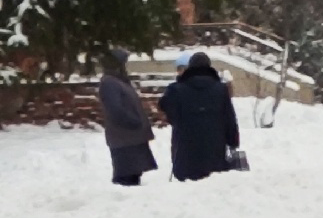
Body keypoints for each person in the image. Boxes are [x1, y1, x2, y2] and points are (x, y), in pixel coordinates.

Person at [156, 53, 239, 182]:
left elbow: (164, 107)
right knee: (213, 183)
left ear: (190, 67)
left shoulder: (176, 89)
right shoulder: (221, 89)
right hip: (215, 148)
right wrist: (233, 141)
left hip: (185, 148)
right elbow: (229, 118)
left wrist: (178, 120)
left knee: (187, 187)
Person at [96, 49, 158, 186]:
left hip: (132, 138)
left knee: (134, 175)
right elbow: (115, 109)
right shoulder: (109, 83)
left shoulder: (119, 81)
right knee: (126, 178)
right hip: (124, 138)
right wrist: (133, 122)